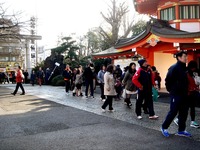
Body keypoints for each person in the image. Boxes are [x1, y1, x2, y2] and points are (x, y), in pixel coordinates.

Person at [161, 51, 191, 138]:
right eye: (185, 56)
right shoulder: (174, 68)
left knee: (184, 112)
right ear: (179, 57)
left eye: (186, 56)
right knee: (173, 112)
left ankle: (181, 130)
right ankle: (164, 127)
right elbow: (167, 80)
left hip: (185, 94)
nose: (186, 58)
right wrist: (171, 91)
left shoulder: (185, 68)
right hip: (176, 94)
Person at [174, 60, 200, 129]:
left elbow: (197, 82)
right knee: (185, 108)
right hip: (187, 93)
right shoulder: (186, 73)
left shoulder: (195, 72)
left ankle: (192, 121)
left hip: (193, 92)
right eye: (193, 68)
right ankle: (178, 119)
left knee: (192, 107)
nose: (194, 69)